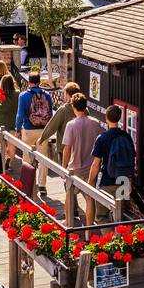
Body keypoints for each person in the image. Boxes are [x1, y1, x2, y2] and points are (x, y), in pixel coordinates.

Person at [33, 81, 81, 197]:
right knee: (78, 176)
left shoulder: (63, 110)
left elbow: (52, 126)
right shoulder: (84, 109)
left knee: (66, 176)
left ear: (68, 95)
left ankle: (72, 206)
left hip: (64, 148)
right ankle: (73, 202)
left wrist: (42, 138)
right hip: (79, 148)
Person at [62, 95, 103, 225]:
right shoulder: (96, 123)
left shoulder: (71, 125)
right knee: (90, 199)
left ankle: (68, 223)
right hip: (91, 168)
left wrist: (63, 167)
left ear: (74, 107)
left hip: (76, 169)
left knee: (69, 196)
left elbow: (67, 149)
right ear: (86, 106)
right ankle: (89, 228)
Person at [88, 104, 136, 205]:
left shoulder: (102, 138)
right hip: (123, 181)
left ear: (106, 118)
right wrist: (130, 181)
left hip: (107, 181)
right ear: (119, 118)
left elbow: (96, 164)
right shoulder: (127, 137)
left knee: (102, 215)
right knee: (120, 214)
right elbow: (132, 159)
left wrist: (90, 182)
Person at [13, 70, 54, 181]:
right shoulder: (47, 95)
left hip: (28, 130)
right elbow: (50, 113)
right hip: (43, 131)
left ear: (29, 82)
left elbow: (19, 114)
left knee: (26, 157)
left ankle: (27, 181)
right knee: (43, 158)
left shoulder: (23, 95)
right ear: (39, 82)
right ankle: (42, 185)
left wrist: (17, 130)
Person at [0, 61, 19, 157]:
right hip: (13, 122)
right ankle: (11, 162)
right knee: (12, 143)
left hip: (2, 123)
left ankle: (4, 160)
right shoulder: (18, 94)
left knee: (1, 142)